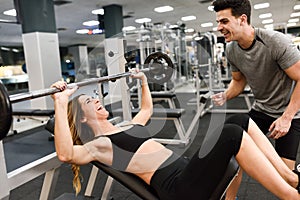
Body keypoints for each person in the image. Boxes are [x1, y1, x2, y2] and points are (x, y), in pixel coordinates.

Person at [51, 70, 300, 200]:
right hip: (180, 189)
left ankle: (290, 179)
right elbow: (66, 153)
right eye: (88, 101)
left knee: (239, 119)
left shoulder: (124, 125)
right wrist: (60, 103)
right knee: (232, 134)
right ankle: (291, 195)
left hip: (188, 172)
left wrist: (143, 81)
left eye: (95, 97)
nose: (96, 100)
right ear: (83, 117)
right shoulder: (100, 145)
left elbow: (147, 109)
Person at [211, 0, 300, 199]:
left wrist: (286, 118)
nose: (219, 28)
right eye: (218, 22)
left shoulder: (275, 42)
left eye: (224, 21)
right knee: (232, 159)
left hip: (290, 115)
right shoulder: (232, 49)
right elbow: (238, 82)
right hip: (261, 110)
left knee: (284, 179)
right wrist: (225, 95)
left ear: (242, 19)